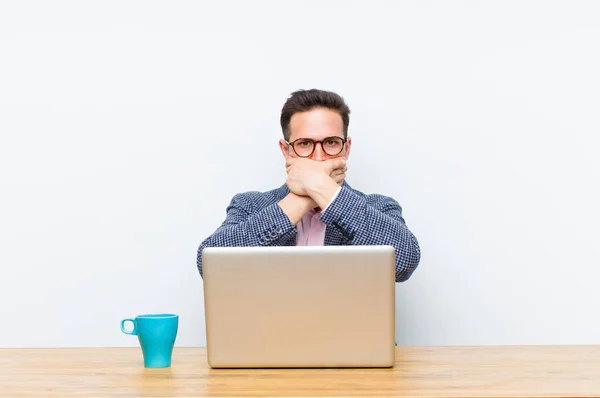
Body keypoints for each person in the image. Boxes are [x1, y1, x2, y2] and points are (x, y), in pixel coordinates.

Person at [196, 89, 421, 282]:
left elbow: (404, 261)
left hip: (351, 333)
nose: (319, 157)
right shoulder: (249, 205)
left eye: (331, 143)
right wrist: (299, 199)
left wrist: (323, 190)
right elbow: (210, 266)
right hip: (269, 332)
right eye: (305, 144)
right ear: (286, 151)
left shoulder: (379, 207)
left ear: (347, 148)